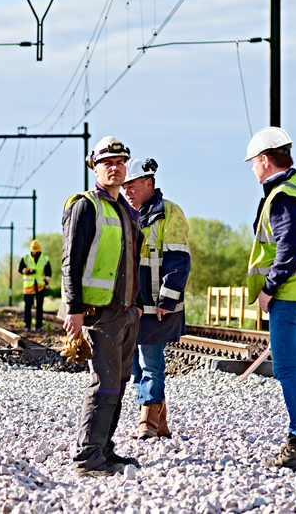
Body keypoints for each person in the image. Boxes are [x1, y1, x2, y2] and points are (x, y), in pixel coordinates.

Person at [244, 127, 296, 471]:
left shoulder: (281, 196)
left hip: (291, 297)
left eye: (253, 162)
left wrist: (269, 289)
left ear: (265, 159)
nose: (252, 168)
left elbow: (289, 247)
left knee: (288, 369)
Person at [61, 135, 144, 477]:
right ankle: (88, 457)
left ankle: (104, 449)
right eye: (107, 162)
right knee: (104, 383)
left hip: (126, 312)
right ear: (93, 167)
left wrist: (138, 305)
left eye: (121, 162)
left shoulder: (127, 210)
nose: (115, 167)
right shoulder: (86, 206)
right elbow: (71, 260)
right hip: (99, 313)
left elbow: (133, 261)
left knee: (119, 384)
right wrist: (73, 308)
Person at [121, 158, 191, 440]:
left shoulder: (170, 213)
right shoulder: (124, 213)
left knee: (150, 362)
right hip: (131, 305)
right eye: (124, 185)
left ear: (149, 183)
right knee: (136, 365)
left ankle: (147, 422)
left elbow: (178, 260)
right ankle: (159, 422)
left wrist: (167, 300)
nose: (126, 190)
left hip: (156, 306)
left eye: (132, 184)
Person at [17, 239, 52, 332]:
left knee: (39, 307)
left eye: (36, 251)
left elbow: (48, 272)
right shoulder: (25, 258)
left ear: (39, 250)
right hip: (28, 286)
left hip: (40, 286)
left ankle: (38, 326)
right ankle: (27, 326)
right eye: (33, 251)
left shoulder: (45, 259)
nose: (35, 253)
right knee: (28, 306)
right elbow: (20, 269)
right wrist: (28, 271)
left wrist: (46, 282)